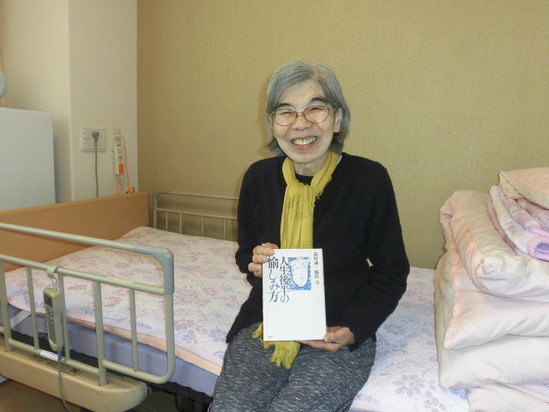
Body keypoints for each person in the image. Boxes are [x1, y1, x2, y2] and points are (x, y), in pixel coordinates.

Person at [209, 61, 409, 412]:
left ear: (338, 119)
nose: (300, 124)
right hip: (266, 321)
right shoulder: (258, 178)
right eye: (285, 112)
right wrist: (255, 261)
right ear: (272, 124)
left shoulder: (369, 179)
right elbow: (245, 254)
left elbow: (391, 271)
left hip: (338, 325)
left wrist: (354, 328)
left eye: (315, 109)